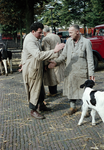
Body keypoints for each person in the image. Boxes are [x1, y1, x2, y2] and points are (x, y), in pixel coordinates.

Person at [48, 24, 95, 115]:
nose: (69, 34)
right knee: (71, 89)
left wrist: (91, 73)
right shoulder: (68, 41)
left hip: (81, 71)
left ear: (77, 32)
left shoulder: (86, 42)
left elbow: (90, 59)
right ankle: (72, 107)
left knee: (83, 91)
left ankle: (85, 109)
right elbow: (63, 55)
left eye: (71, 32)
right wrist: (56, 62)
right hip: (70, 71)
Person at [21, 22, 65, 119]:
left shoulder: (34, 38)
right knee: (34, 89)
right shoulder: (30, 41)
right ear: (33, 31)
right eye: (39, 33)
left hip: (36, 68)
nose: (41, 35)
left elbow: (24, 52)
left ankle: (41, 105)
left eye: (41, 33)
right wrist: (54, 51)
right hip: (32, 70)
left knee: (40, 89)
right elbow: (38, 55)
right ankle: (33, 110)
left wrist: (22, 61)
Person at [41, 26, 65, 96]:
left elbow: (46, 51)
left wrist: (45, 64)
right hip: (58, 58)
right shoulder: (56, 36)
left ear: (44, 32)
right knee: (55, 76)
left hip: (50, 59)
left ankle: (52, 92)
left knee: (50, 77)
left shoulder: (46, 39)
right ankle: (54, 91)